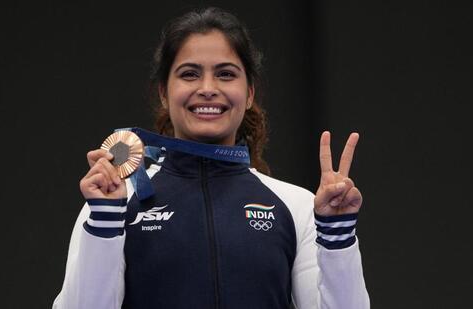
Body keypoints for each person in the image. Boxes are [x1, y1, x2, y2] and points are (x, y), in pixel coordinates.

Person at [53, 7, 370, 309]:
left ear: (249, 94)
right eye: (189, 74)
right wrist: (105, 220)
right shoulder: (117, 202)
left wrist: (337, 235)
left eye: (226, 74)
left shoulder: (297, 206)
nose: (207, 88)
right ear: (164, 92)